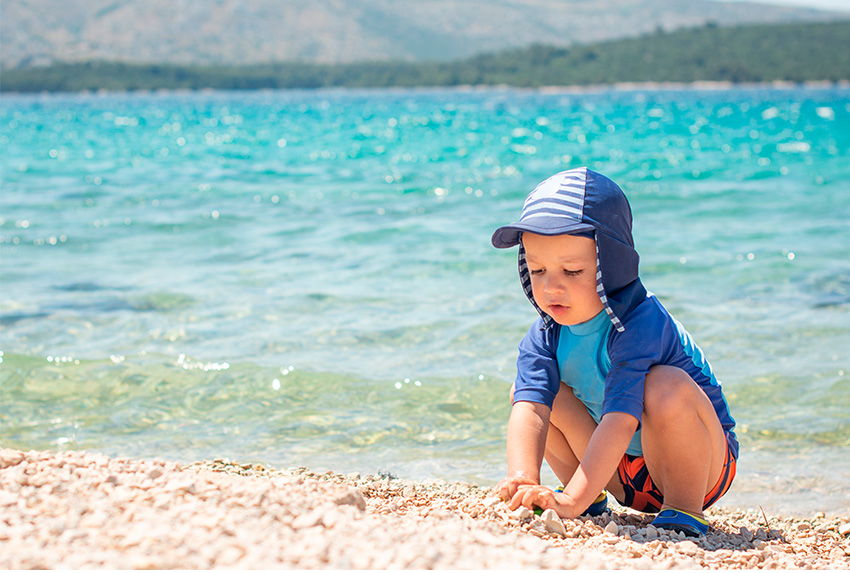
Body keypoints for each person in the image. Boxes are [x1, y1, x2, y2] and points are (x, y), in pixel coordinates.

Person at [490, 167, 738, 537]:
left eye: (572, 271)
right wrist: (522, 478)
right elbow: (531, 408)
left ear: (612, 266)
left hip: (700, 467)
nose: (551, 287)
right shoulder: (546, 331)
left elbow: (620, 420)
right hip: (618, 470)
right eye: (538, 269)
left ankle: (683, 509)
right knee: (528, 392)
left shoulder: (638, 323)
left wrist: (568, 503)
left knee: (663, 385)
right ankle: (585, 493)